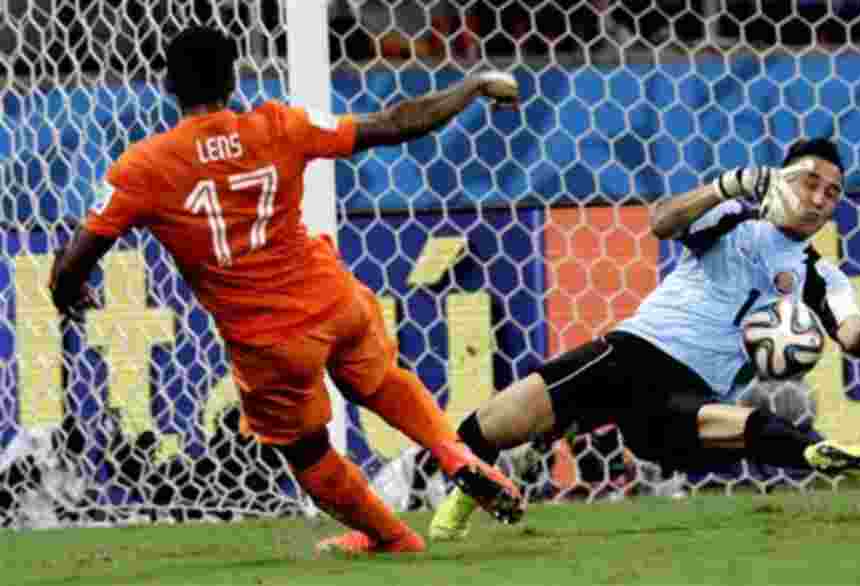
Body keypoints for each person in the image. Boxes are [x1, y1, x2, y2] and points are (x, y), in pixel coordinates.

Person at [48, 25, 525, 555]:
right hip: (333, 299)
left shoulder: (143, 166)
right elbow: (394, 123)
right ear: (232, 80)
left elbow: (81, 254)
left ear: (168, 86)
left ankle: (392, 537)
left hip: (269, 343)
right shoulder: (279, 124)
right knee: (378, 380)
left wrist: (65, 290)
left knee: (306, 450)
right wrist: (471, 87)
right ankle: (454, 454)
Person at [429, 137, 860, 540]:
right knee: (483, 427)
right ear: (785, 179)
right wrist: (729, 184)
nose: (818, 199)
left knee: (744, 424)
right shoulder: (733, 219)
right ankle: (452, 518)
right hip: (634, 354)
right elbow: (661, 221)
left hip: (688, 395)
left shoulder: (822, 277)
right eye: (810, 182)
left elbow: (854, 338)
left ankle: (826, 454)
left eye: (831, 194)